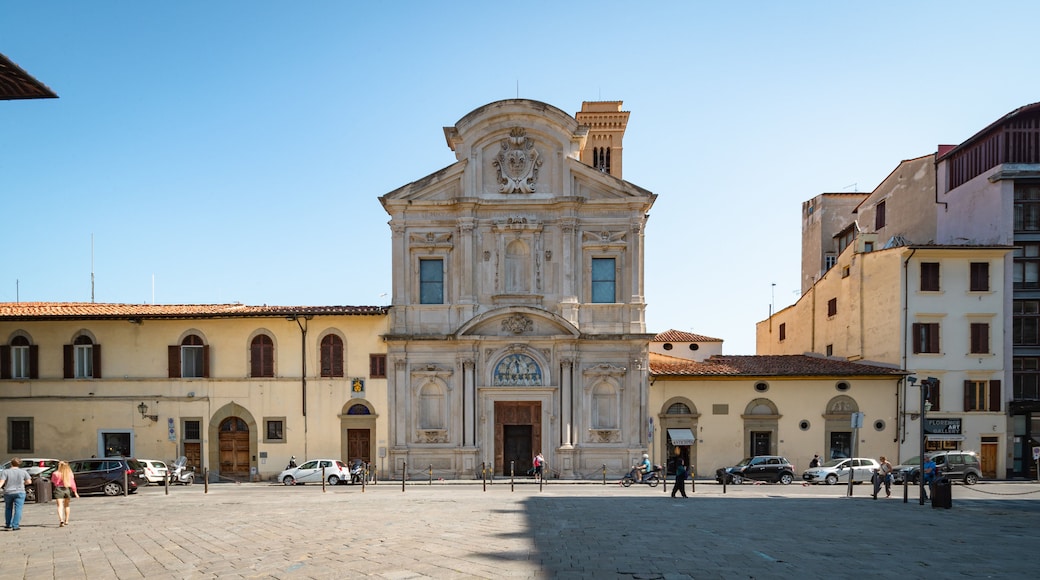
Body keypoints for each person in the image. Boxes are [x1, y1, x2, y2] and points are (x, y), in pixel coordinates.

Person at [1, 457, 32, 531]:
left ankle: (8, 524)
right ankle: (15, 525)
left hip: (8, 492)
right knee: (18, 509)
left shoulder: (5, 472)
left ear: (11, 463)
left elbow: (1, 482)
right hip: (20, 491)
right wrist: (23, 483)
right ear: (19, 464)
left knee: (8, 508)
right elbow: (29, 482)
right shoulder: (23, 472)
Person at [51, 461, 80, 527]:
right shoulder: (69, 473)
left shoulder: (55, 473)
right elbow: (73, 483)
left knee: (59, 506)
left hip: (59, 489)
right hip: (67, 489)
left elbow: (53, 481)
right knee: (67, 505)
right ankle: (66, 520)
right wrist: (75, 492)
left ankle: (61, 520)